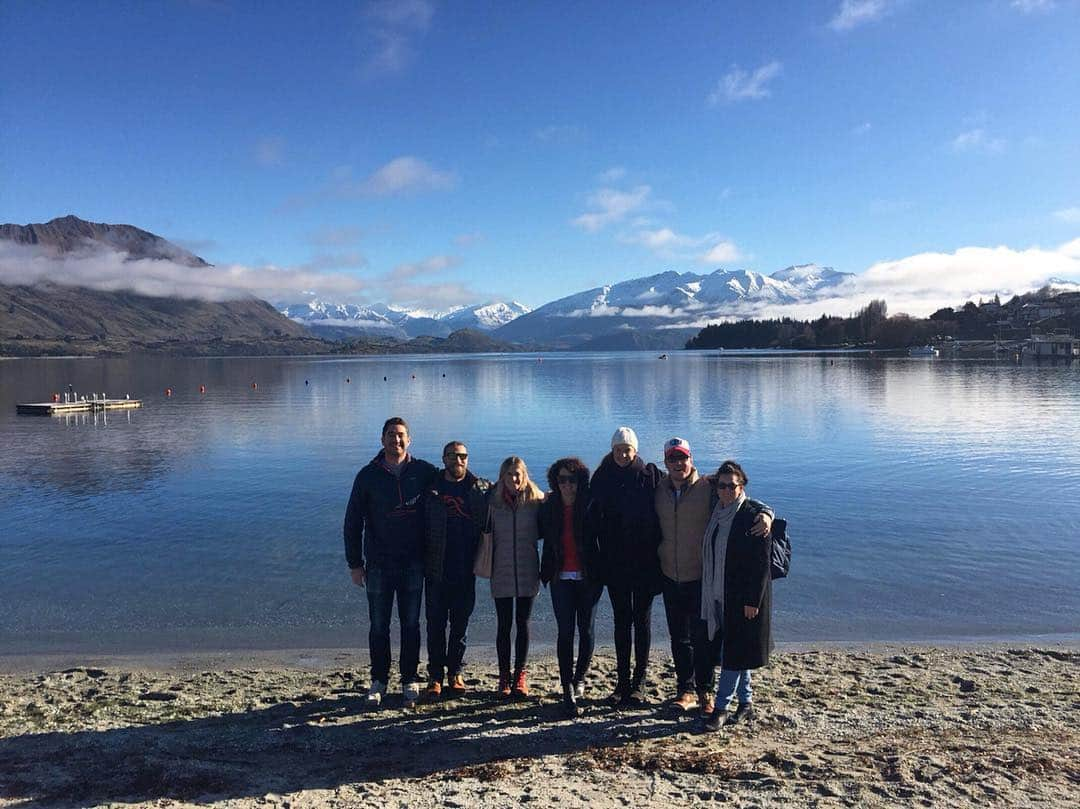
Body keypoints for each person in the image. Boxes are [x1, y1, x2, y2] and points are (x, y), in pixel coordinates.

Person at [655, 437, 771, 718]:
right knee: (678, 639)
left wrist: (767, 514)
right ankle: (685, 689)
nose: (678, 464)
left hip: (700, 579)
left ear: (691, 459)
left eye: (682, 458)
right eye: (672, 459)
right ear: (666, 462)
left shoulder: (708, 487)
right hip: (670, 575)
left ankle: (706, 692)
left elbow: (744, 502)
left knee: (704, 639)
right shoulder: (658, 488)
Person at [343, 417, 438, 708]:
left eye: (400, 436)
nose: (395, 441)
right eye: (390, 435)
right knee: (379, 626)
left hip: (413, 563)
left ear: (409, 440)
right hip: (379, 565)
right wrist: (355, 563)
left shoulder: (423, 471)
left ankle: (410, 677)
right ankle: (379, 679)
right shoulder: (367, 476)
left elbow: (457, 481)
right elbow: (352, 522)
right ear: (382, 439)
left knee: (411, 624)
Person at [589, 426, 664, 706]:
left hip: (645, 564)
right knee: (622, 621)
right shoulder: (601, 478)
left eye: (627, 449)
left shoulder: (651, 476)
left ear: (636, 451)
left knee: (642, 622)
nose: (623, 454)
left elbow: (683, 489)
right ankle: (622, 682)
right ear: (612, 450)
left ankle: (640, 681)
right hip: (614, 564)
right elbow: (589, 516)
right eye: (618, 449)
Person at [701, 461, 773, 731]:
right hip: (717, 593)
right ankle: (746, 703)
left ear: (741, 486)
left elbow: (761, 564)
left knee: (732, 652)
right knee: (737, 648)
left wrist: (752, 600)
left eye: (732, 485)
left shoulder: (752, 516)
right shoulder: (717, 512)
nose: (727, 490)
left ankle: (721, 708)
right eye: (722, 485)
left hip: (743, 598)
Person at [422, 441, 491, 700]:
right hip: (436, 568)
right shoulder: (430, 488)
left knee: (460, 626)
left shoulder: (480, 488)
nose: (458, 460)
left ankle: (456, 672)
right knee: (435, 626)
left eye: (463, 456)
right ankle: (435, 675)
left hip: (466, 569)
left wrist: (544, 496)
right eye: (453, 456)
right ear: (444, 459)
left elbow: (514, 491)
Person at [540, 457, 601, 717]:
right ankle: (567, 688)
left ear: (580, 481)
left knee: (586, 630)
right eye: (562, 480)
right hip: (560, 577)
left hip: (588, 577)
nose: (567, 485)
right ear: (556, 481)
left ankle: (580, 678)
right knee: (565, 632)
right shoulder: (549, 505)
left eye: (572, 480)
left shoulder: (591, 503)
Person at [489, 455, 545, 698]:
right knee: (504, 625)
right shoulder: (492, 502)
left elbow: (549, 527)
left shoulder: (537, 500)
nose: (514, 478)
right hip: (499, 569)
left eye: (518, 474)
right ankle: (504, 676)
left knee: (523, 623)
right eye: (509, 474)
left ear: (525, 476)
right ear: (502, 477)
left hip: (527, 568)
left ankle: (520, 675)